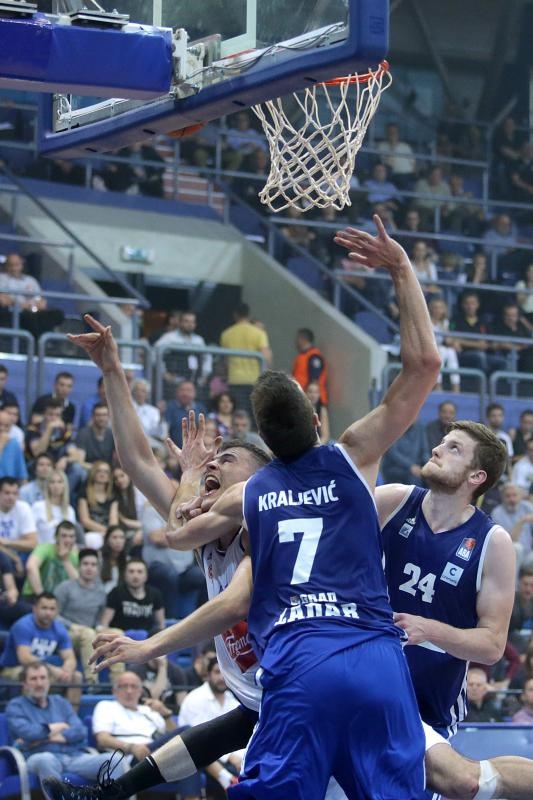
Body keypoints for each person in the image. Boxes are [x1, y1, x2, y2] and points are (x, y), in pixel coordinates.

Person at [5, 661, 123, 792]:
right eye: (34, 679)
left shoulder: (60, 702)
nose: (39, 683)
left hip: (73, 756)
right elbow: (28, 733)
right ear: (24, 683)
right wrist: (59, 726)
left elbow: (80, 731)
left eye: (43, 678)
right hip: (37, 756)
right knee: (46, 759)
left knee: (114, 760)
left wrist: (45, 738)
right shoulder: (16, 706)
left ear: (49, 680)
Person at [0, 592, 82, 707]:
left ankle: (71, 716)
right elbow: (25, 658)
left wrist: (67, 671)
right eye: (44, 608)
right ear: (35, 609)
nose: (48, 613)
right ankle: (29, 715)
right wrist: (52, 670)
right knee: (32, 675)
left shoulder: (60, 629)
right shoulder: (23, 626)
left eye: (52, 609)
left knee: (76, 676)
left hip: (43, 669)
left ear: (57, 611)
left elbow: (69, 657)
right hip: (13, 669)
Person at [178, 656, 243, 797]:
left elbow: (241, 735)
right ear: (207, 675)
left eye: (224, 673)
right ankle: (228, 779)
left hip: (229, 756)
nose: (221, 677)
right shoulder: (195, 698)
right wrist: (230, 757)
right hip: (195, 756)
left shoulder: (232, 700)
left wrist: (238, 757)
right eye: (217, 672)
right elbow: (200, 738)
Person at [54, 548, 118, 686]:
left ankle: (119, 682)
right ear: (79, 566)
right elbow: (53, 615)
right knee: (88, 633)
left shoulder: (100, 591)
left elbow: (98, 618)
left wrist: (100, 627)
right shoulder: (65, 588)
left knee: (116, 634)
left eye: (93, 565)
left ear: (98, 569)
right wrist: (71, 626)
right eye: (85, 564)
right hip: (66, 634)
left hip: (89, 634)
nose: (89, 568)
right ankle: (92, 683)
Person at [220, 302, 272, 415]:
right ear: (249, 315)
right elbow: (266, 357)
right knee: (255, 416)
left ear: (235, 315)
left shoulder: (226, 334)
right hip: (255, 381)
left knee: (238, 416)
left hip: (235, 381)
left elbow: (225, 361)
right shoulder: (259, 333)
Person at [0, 252, 64, 339]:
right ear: (6, 266)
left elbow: (40, 299)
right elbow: (3, 298)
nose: (14, 268)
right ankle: (39, 342)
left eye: (17, 265)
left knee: (57, 314)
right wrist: (21, 305)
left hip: (34, 310)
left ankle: (42, 340)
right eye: (11, 265)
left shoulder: (31, 280)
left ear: (22, 264)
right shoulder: (2, 278)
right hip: (16, 311)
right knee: (31, 318)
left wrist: (37, 304)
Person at [100, 558, 165, 636]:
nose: (135, 576)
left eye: (140, 572)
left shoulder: (155, 594)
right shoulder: (116, 593)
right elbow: (104, 624)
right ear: (125, 575)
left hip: (146, 639)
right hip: (121, 638)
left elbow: (161, 625)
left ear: (146, 576)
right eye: (131, 571)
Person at [154, 310, 212, 390]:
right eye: (186, 321)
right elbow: (154, 354)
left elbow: (207, 358)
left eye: (192, 322)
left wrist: (204, 375)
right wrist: (164, 373)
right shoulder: (169, 337)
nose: (190, 324)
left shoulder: (199, 340)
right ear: (180, 322)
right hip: (174, 384)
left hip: (193, 383)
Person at [23, 520, 79, 598]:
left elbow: (78, 585)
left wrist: (65, 560)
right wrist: (41, 596)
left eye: (71, 536)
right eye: (64, 536)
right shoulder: (44, 548)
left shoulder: (76, 556)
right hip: (34, 596)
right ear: (56, 537)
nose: (68, 540)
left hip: (60, 599)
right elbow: (31, 567)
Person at [77, 460, 119, 548]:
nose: (102, 474)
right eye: (99, 471)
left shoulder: (113, 496)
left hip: (107, 532)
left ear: (109, 476)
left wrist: (109, 532)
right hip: (90, 532)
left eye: (106, 472)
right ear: (93, 473)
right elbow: (85, 520)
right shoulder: (84, 493)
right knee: (93, 539)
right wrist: (106, 531)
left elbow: (113, 520)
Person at [492, 483, 533, 570]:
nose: (512, 499)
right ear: (503, 498)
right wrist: (522, 521)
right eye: (508, 496)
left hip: (528, 554)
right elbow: (511, 540)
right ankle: (513, 579)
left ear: (520, 496)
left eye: (514, 495)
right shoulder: (497, 513)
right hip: (506, 555)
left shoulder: (526, 507)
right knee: (517, 548)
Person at [31, 469, 77, 544]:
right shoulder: (38, 507)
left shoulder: (70, 511)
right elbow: (30, 533)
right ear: (48, 485)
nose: (56, 485)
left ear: (64, 485)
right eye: (52, 482)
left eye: (60, 482)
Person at [291, 327, 328, 406]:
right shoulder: (302, 356)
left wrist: (310, 397)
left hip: (313, 402)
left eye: (298, 338)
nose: (296, 341)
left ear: (303, 339)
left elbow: (314, 380)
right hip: (302, 399)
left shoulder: (314, 356)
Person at [165, 380, 207, 448]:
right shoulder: (170, 408)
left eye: (189, 390)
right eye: (182, 390)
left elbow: (207, 431)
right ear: (177, 392)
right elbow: (165, 432)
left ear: (194, 393)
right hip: (175, 449)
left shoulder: (200, 408)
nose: (185, 393)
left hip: (197, 449)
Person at [74, 403, 115, 468]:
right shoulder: (83, 434)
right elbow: (80, 462)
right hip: (88, 469)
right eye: (98, 415)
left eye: (104, 415)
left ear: (109, 417)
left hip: (108, 469)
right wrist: (98, 469)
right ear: (92, 417)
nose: (101, 419)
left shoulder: (112, 435)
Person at [0, 409, 27, 480]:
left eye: (6, 426)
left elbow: (21, 473)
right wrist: (1, 444)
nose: (2, 428)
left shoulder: (14, 443)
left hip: (9, 484)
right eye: (0, 424)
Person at [100, 525, 128, 592]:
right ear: (107, 540)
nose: (118, 541)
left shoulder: (128, 561)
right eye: (114, 537)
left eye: (122, 537)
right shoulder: (99, 559)